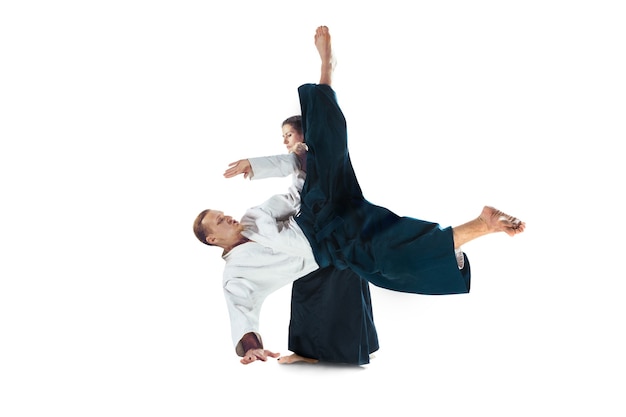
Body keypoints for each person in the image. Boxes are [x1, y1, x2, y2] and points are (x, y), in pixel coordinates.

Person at [193, 26, 525, 365]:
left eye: (222, 213)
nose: (227, 217)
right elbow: (241, 309)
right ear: (212, 238)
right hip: (325, 253)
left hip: (317, 219)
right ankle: (479, 227)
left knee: (326, 154)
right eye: (219, 221)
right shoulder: (235, 274)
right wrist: (251, 346)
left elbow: (295, 191)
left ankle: (327, 71)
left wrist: (282, 164)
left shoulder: (254, 216)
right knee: (384, 264)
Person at [224, 115, 379, 365]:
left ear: (303, 135)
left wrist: (257, 165)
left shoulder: (310, 154)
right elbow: (294, 190)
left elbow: (291, 169)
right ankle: (359, 347)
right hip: (324, 238)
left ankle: (319, 354)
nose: (285, 140)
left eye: (289, 134)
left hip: (328, 237)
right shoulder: (309, 158)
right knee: (335, 286)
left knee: (327, 290)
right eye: (283, 136)